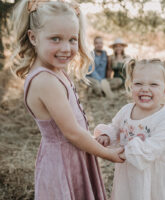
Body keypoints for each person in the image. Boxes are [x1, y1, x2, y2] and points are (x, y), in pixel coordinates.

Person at [11, 1, 124, 199]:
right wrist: (108, 154)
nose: (66, 48)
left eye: (73, 39)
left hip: (75, 155)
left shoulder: (56, 71)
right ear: (33, 37)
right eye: (55, 39)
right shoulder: (45, 80)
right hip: (62, 163)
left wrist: (92, 141)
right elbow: (72, 133)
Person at [94, 58, 165, 200]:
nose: (145, 89)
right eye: (138, 83)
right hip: (130, 171)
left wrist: (124, 153)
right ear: (130, 86)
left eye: (153, 84)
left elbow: (153, 147)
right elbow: (116, 127)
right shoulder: (126, 110)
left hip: (156, 174)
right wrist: (108, 136)